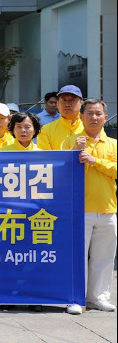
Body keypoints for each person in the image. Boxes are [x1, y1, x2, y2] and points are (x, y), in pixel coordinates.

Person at [61, 99, 117, 314]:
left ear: (105, 117)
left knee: (104, 258)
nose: (94, 117)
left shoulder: (113, 144)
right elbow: (61, 171)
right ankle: (75, 297)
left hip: (108, 208)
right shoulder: (71, 141)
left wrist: (96, 162)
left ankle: (99, 297)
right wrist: (75, 152)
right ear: (81, 117)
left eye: (98, 114)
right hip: (78, 209)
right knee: (77, 256)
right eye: (90, 113)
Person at [40, 85, 84, 151]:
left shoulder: (91, 128)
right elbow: (45, 159)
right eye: (64, 100)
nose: (67, 104)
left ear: (81, 103)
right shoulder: (46, 130)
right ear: (57, 104)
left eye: (72, 100)